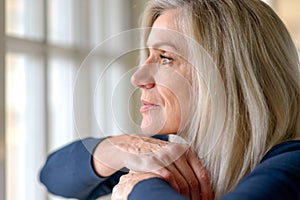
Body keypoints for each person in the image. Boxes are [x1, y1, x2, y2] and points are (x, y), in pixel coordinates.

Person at [40, 0, 300, 199]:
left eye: (165, 58)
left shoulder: (291, 166)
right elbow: (53, 174)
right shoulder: (176, 153)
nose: (138, 77)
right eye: (149, 55)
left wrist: (141, 187)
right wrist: (124, 148)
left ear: (226, 75)